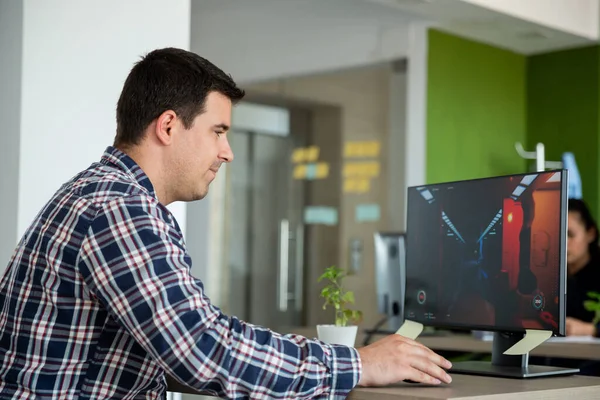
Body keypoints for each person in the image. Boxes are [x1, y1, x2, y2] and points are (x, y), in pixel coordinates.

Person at [0, 48, 452, 399]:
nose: (227, 152)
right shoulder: (120, 210)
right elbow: (203, 347)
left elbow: (188, 335)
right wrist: (359, 364)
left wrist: (287, 352)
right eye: (218, 131)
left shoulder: (96, 192)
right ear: (169, 126)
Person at [565, 198, 600, 337]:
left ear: (590, 234)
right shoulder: (550, 276)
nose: (563, 243)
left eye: (570, 234)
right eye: (558, 235)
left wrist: (591, 330)